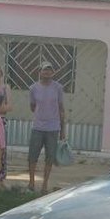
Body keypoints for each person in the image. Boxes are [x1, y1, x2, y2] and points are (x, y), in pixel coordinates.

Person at [28, 61, 66, 193]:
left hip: (53, 128)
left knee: (50, 157)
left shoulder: (58, 88)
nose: (47, 72)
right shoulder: (33, 88)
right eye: (44, 70)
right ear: (40, 72)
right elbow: (32, 107)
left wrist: (63, 130)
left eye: (49, 70)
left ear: (53, 72)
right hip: (38, 127)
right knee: (32, 156)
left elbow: (61, 109)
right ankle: (31, 182)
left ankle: (44, 184)